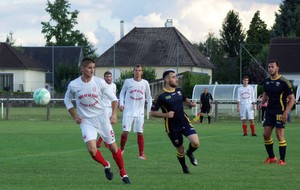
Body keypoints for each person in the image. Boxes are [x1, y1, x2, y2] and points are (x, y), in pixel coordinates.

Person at [64, 58, 131, 184]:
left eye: (93, 68)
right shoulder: (74, 84)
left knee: (113, 147)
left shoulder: (99, 82)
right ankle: (106, 164)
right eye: (89, 68)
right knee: (92, 149)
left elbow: (114, 100)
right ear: (82, 69)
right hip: (86, 121)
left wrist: (114, 115)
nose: (92, 70)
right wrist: (74, 115)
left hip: (102, 118)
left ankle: (123, 172)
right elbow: (67, 100)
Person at [150, 70, 200, 174]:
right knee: (180, 149)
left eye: (175, 77)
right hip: (172, 126)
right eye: (173, 77)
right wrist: (166, 115)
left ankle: (190, 153)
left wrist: (191, 104)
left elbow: (185, 99)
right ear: (166, 79)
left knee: (196, 142)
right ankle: (184, 167)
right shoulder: (160, 95)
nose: (176, 79)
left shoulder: (179, 90)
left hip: (184, 121)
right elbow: (152, 113)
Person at [258, 60, 295, 165]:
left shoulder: (284, 82)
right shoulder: (266, 81)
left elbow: (292, 99)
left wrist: (286, 112)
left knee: (279, 135)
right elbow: (265, 94)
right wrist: (261, 103)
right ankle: (272, 157)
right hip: (269, 111)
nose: (270, 69)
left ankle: (282, 160)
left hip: (280, 111)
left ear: (277, 68)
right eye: (269, 67)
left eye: (272, 67)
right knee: (266, 134)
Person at [119, 64, 152, 160]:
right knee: (125, 132)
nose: (137, 72)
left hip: (139, 112)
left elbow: (149, 97)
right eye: (136, 70)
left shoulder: (145, 83)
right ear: (133, 71)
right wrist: (121, 104)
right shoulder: (128, 82)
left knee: (140, 133)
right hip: (128, 111)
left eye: (139, 70)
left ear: (142, 72)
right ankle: (121, 149)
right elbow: (121, 93)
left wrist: (149, 110)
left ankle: (141, 153)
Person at [96, 71, 117, 148]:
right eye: (107, 77)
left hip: (110, 108)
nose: (108, 78)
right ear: (104, 77)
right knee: (106, 125)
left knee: (108, 125)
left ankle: (103, 143)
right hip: (103, 107)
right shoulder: (101, 85)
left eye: (109, 76)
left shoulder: (114, 86)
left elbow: (114, 98)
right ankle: (101, 143)